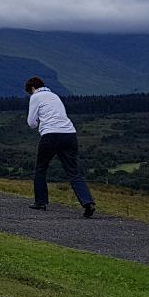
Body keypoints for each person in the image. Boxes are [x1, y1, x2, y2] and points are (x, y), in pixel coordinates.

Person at [25, 76, 95, 217]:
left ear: (32, 88)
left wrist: (39, 120)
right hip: (69, 134)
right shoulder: (55, 96)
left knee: (41, 168)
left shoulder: (36, 97)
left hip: (50, 135)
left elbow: (31, 123)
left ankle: (41, 202)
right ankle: (88, 202)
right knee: (73, 171)